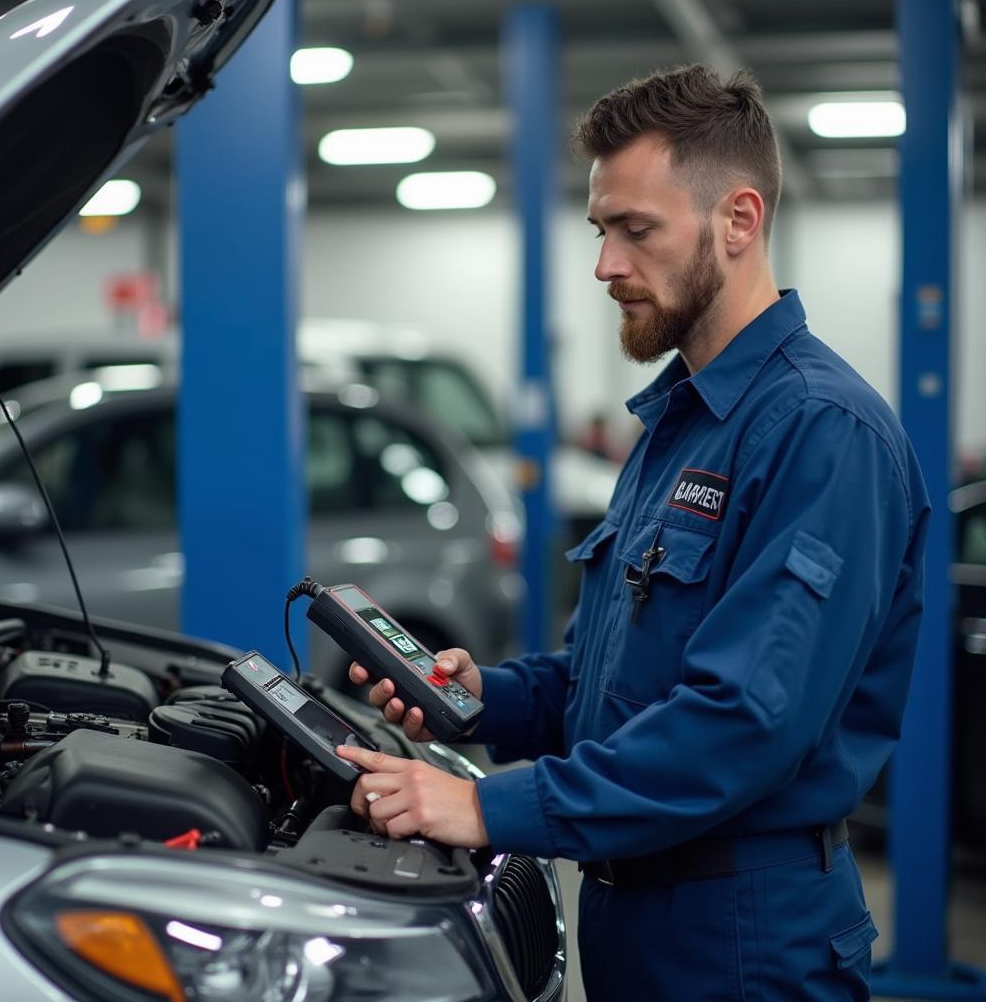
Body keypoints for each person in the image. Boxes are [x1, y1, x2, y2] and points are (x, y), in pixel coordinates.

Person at [337, 64, 930, 1001]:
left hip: (742, 939)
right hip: (636, 916)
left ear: (738, 221)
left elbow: (744, 722)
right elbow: (606, 681)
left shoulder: (825, 432)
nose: (607, 265)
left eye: (636, 230)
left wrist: (488, 808)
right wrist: (485, 697)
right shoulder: (680, 426)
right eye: (601, 230)